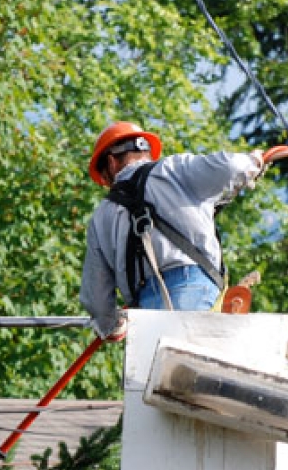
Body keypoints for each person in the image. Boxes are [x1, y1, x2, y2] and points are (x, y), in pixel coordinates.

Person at [79, 121, 266, 340]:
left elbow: (95, 295)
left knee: (158, 372)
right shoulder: (171, 170)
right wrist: (253, 161)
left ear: (110, 163)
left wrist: (110, 325)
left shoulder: (102, 215)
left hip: (145, 309)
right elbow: (232, 167)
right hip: (193, 288)